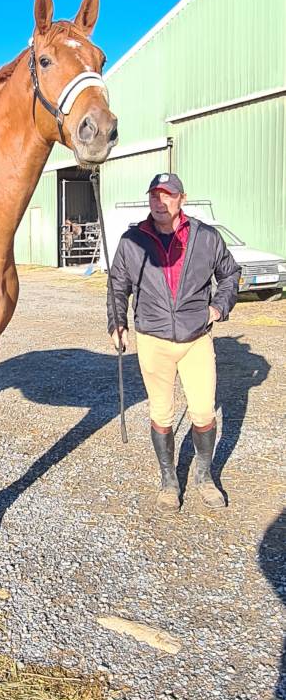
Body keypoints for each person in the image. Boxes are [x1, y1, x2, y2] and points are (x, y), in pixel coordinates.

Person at [107, 173, 240, 513]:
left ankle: (204, 477)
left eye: (167, 195)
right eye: (154, 195)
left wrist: (218, 308)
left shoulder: (206, 237)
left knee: (203, 411)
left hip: (196, 338)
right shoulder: (133, 240)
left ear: (182, 198)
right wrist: (117, 322)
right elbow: (118, 284)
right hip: (152, 339)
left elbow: (230, 273)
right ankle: (169, 481)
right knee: (161, 413)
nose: (160, 201)